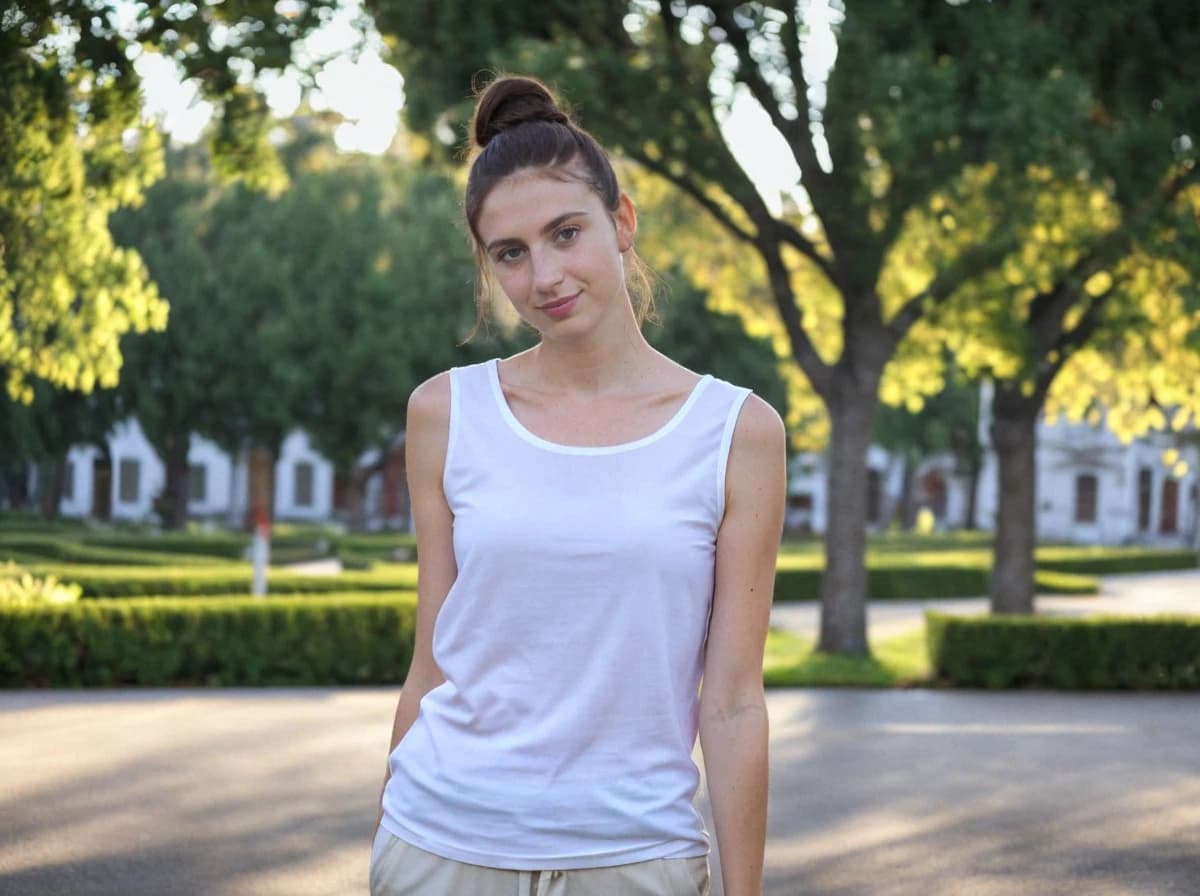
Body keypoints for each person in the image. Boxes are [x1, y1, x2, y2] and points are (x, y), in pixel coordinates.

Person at [370, 74, 786, 896]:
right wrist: (387, 835)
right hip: (441, 850)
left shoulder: (737, 433)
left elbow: (733, 702)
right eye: (511, 254)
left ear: (622, 221)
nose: (545, 276)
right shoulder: (446, 413)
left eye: (567, 233)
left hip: (636, 859)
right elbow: (431, 664)